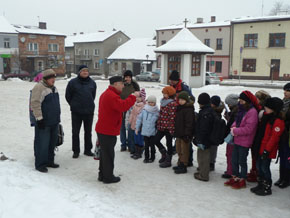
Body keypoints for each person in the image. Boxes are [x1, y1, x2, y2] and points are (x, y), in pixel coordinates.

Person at [95, 76, 137, 184]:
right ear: (115, 84)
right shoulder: (111, 96)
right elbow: (122, 106)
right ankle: (108, 177)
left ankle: (102, 175)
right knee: (108, 154)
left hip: (104, 128)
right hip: (107, 129)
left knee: (104, 154)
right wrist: (133, 97)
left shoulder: (109, 93)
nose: (123, 86)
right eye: (121, 84)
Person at [224, 91, 259, 189]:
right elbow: (236, 121)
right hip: (237, 139)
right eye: (240, 100)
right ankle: (235, 177)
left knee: (242, 161)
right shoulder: (241, 110)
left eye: (242, 101)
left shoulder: (252, 112)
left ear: (247, 101)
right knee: (234, 159)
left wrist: (236, 130)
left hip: (245, 141)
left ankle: (242, 179)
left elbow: (249, 128)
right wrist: (233, 127)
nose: (240, 102)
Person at [250, 97, 284, 196]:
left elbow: (274, 138)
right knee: (259, 166)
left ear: (274, 109)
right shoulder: (266, 117)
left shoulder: (278, 121)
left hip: (267, 150)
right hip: (260, 147)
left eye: (268, 107)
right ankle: (260, 184)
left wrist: (267, 150)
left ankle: (266, 186)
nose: (265, 108)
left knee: (265, 168)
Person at [30, 69, 61, 173]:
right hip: (44, 121)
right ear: (46, 78)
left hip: (54, 121)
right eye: (51, 78)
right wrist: (39, 119)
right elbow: (35, 104)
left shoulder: (54, 88)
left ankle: (49, 161)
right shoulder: (39, 87)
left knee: (52, 143)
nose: (53, 80)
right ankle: (40, 164)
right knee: (42, 143)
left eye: (54, 78)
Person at [65, 65, 97, 158]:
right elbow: (68, 96)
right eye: (83, 71)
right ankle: (76, 151)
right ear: (79, 72)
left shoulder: (92, 83)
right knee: (75, 132)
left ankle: (88, 150)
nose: (85, 72)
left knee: (88, 132)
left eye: (87, 71)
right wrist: (74, 104)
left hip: (89, 111)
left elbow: (93, 95)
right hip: (76, 112)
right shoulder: (72, 83)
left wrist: (88, 104)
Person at [247, 90, 270, 182]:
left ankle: (256, 172)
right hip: (256, 134)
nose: (255, 99)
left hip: (260, 135)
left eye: (257, 98)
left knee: (257, 156)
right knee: (254, 154)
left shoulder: (263, 109)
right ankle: (254, 170)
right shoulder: (258, 107)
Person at [193, 93, 215, 182]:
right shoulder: (209, 110)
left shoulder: (205, 113)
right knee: (202, 155)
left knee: (203, 157)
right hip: (207, 138)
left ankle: (203, 175)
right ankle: (202, 171)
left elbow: (203, 128)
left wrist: (199, 139)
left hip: (204, 139)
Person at [172, 91, 195, 174]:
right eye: (179, 100)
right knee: (178, 149)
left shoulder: (189, 109)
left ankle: (184, 165)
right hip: (178, 133)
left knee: (184, 150)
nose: (180, 101)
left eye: (182, 100)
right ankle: (180, 162)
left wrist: (187, 134)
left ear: (186, 100)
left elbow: (189, 123)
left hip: (185, 134)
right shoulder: (179, 108)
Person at [155, 86, 177, 168]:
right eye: (163, 93)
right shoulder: (163, 101)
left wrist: (171, 128)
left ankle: (168, 160)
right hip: (161, 126)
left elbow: (172, 117)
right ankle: (164, 153)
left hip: (168, 127)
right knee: (155, 140)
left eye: (165, 93)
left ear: (169, 94)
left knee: (169, 144)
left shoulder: (172, 104)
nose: (163, 95)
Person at [120, 70, 140, 152]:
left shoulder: (134, 85)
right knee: (122, 127)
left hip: (132, 109)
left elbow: (138, 95)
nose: (128, 79)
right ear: (124, 77)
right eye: (126, 77)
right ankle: (123, 144)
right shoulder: (121, 85)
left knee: (130, 127)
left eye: (129, 77)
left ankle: (130, 144)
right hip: (122, 107)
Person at [135, 95, 159, 163]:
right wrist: (137, 128)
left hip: (152, 132)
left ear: (155, 103)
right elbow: (139, 119)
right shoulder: (144, 110)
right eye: (149, 102)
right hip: (145, 131)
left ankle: (152, 157)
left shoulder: (157, 112)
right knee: (146, 146)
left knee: (152, 145)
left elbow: (158, 122)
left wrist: (157, 130)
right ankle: (146, 157)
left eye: (152, 102)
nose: (151, 103)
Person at [275, 83, 290, 189]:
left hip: (288, 134)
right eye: (284, 90)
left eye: (287, 91)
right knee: (282, 156)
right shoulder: (283, 102)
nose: (285, 92)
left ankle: (287, 179)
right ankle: (281, 177)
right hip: (282, 134)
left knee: (288, 157)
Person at [222, 94, 239, 179]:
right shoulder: (235, 111)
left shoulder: (236, 112)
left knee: (230, 154)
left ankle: (230, 171)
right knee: (230, 154)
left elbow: (233, 124)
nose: (228, 105)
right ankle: (230, 169)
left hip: (233, 136)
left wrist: (228, 118)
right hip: (232, 136)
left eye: (229, 104)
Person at [127, 88, 146, 159]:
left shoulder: (143, 106)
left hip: (140, 126)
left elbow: (143, 117)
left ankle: (139, 152)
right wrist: (130, 122)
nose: (137, 99)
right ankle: (136, 151)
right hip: (133, 125)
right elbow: (132, 114)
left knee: (140, 139)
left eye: (139, 97)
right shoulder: (135, 105)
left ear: (143, 98)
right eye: (136, 97)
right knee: (135, 138)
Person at [209, 95, 225, 171]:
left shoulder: (215, 112)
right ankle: (210, 163)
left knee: (212, 149)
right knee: (211, 149)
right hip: (212, 133)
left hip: (214, 134)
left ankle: (211, 163)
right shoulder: (212, 110)